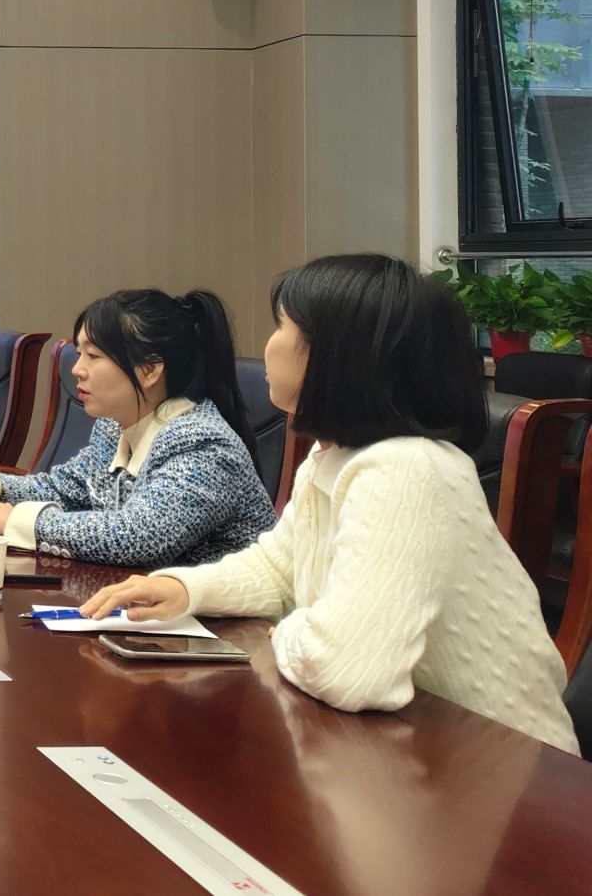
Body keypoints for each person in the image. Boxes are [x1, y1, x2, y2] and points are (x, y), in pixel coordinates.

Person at [83, 254, 576, 752]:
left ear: (337, 355)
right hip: (397, 747)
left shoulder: (408, 469)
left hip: (507, 771)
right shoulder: (332, 456)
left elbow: (348, 672)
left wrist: (286, 631)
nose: (268, 344)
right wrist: (184, 588)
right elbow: (279, 569)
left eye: (281, 326)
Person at [0, 289, 274, 566]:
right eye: (79, 353)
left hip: (226, 630)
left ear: (149, 370)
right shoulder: (114, 426)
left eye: (93, 356)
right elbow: (65, 490)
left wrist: (21, 523)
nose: (77, 369)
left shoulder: (204, 445)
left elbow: (138, 536)